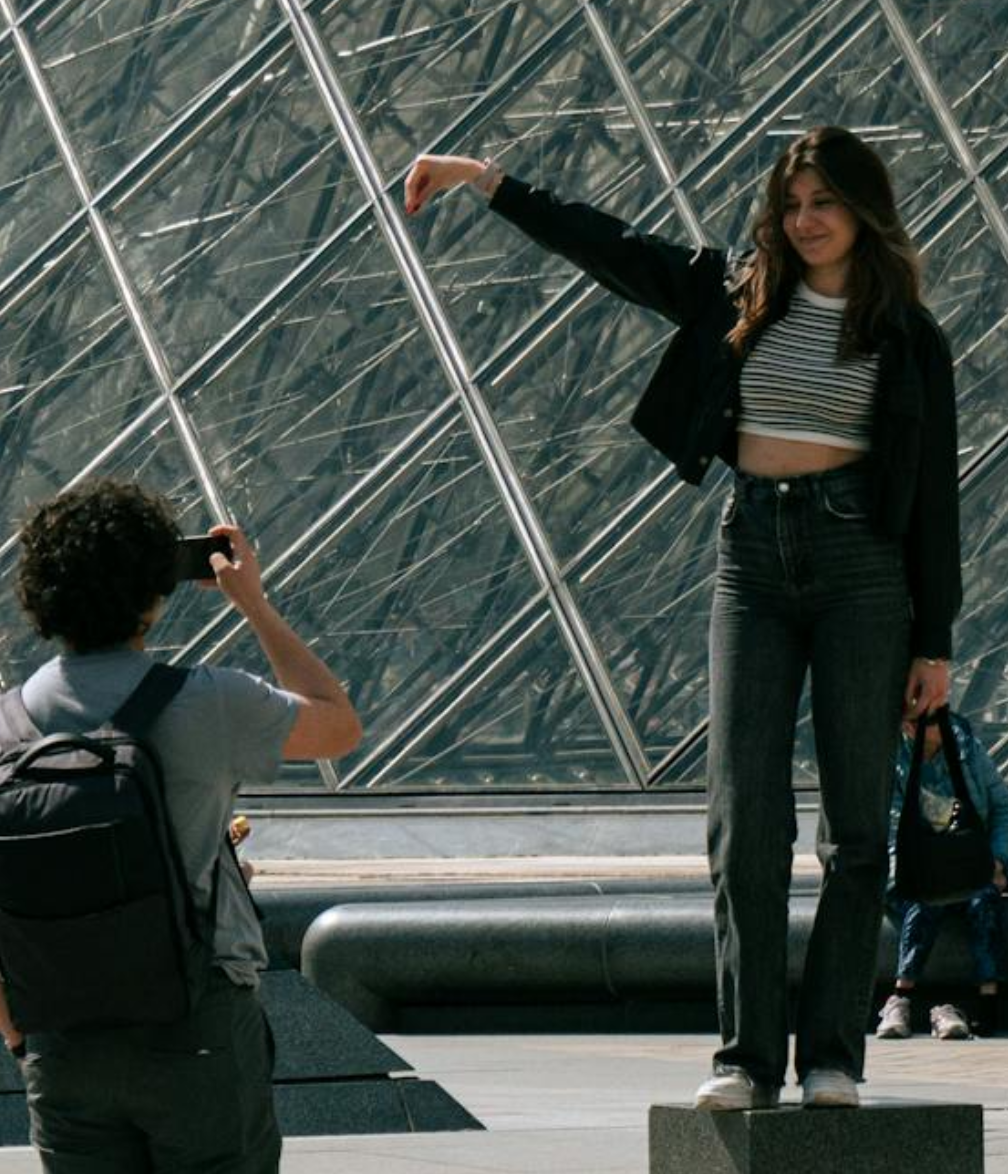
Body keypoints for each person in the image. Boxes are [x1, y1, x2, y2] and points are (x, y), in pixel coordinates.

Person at [406, 128, 959, 1111]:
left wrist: (936, 639)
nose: (804, 221)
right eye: (790, 205)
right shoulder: (736, 295)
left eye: (823, 202)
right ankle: (746, 1058)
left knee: (852, 835)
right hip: (750, 558)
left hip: (863, 573)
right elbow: (613, 249)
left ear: (864, 210)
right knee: (743, 817)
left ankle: (830, 1054)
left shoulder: (911, 337)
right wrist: (486, 183)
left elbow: (936, 500)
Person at [0, 481, 362, 1174]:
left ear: (39, 594)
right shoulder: (210, 701)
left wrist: (23, 1040)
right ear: (153, 590)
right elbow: (337, 723)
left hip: (64, 1045)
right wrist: (252, 602)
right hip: (196, 1028)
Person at [877, 708, 1008, 1040]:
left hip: (971, 867)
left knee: (983, 902)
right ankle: (901, 998)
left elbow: (1003, 810)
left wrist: (996, 863)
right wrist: (909, 872)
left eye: (921, 720)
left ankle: (987, 1004)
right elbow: (891, 827)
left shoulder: (969, 752)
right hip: (915, 868)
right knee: (927, 897)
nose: (911, 726)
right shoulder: (892, 757)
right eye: (908, 719)